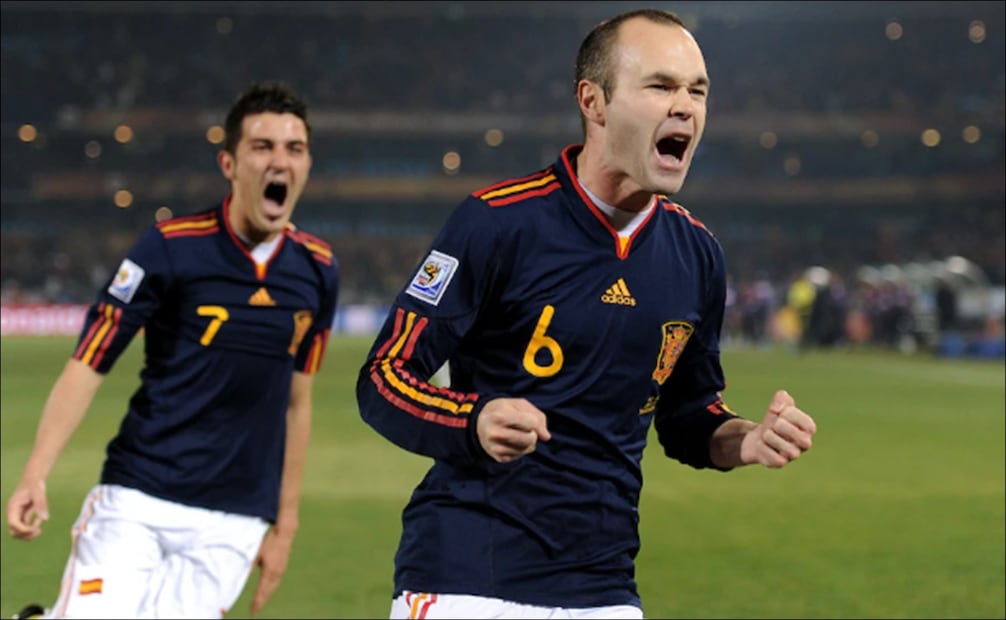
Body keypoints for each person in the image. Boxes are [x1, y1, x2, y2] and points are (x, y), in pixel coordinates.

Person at [356, 8, 817, 619]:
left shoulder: (697, 255)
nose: (686, 107)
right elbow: (383, 377)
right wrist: (473, 418)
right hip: (467, 575)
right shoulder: (497, 221)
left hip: (604, 588)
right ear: (594, 102)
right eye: (661, 86)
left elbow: (689, 415)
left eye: (697, 91)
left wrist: (747, 439)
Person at [6, 81, 340, 619]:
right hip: (140, 494)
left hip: (235, 519)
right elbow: (90, 360)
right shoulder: (169, 247)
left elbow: (297, 403)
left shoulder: (318, 270)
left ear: (307, 164)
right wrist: (34, 473)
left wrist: (286, 523)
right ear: (229, 163)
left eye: (294, 148)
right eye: (262, 147)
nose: (280, 160)